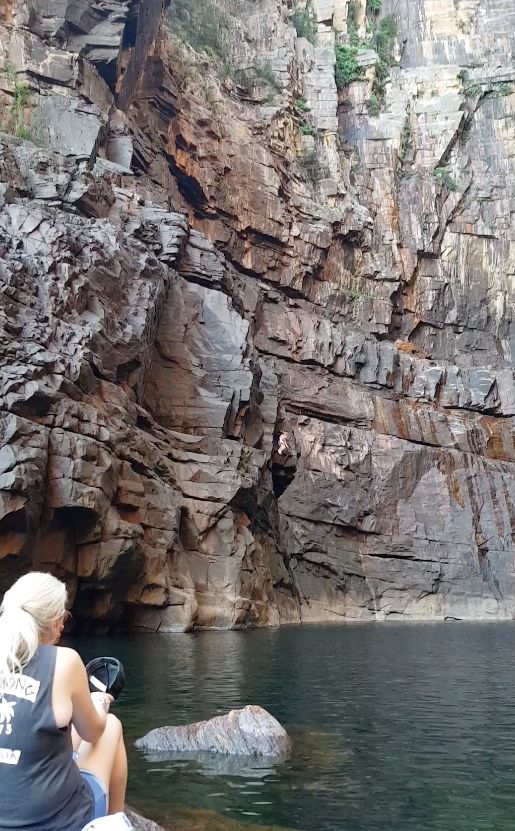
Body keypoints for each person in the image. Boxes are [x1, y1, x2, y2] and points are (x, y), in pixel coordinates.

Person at [0, 571, 127, 831]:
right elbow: (93, 732)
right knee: (111, 726)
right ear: (50, 620)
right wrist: (100, 702)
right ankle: (115, 822)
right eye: (61, 616)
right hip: (57, 823)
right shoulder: (64, 662)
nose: (62, 625)